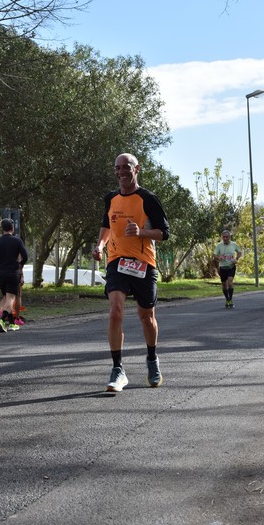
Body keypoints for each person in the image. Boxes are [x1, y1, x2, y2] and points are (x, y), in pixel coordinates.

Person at [92, 152, 170, 392]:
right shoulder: (111, 198)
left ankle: (152, 359)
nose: (121, 171)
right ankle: (118, 369)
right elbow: (106, 225)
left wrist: (142, 233)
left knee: (147, 317)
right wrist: (100, 245)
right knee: (115, 311)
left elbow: (164, 233)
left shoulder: (148, 198)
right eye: (117, 167)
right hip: (117, 262)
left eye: (126, 166)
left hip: (144, 264)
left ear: (137, 169)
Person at [0, 218, 28, 332]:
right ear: (12, 228)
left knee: (5, 297)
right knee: (10, 299)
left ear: (2, 229)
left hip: (0, 274)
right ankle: (1, 320)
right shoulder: (17, 241)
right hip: (12, 273)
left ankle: (11, 323)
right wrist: (20, 264)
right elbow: (25, 256)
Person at [214, 230, 242, 309]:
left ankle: (230, 299)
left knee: (230, 282)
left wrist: (236, 259)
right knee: (224, 285)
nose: (225, 238)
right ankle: (227, 299)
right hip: (223, 267)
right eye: (224, 237)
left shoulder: (234, 244)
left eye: (227, 237)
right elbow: (214, 255)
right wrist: (219, 257)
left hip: (231, 266)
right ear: (222, 237)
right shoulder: (219, 245)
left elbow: (239, 252)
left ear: (229, 237)